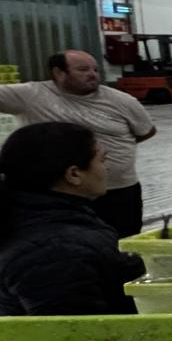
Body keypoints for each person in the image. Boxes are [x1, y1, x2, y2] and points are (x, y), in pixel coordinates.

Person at [0, 50, 156, 237]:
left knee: (124, 240)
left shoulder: (122, 101)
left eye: (95, 69)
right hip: (58, 197)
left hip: (118, 192)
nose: (92, 74)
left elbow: (146, 131)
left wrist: (109, 150)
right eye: (83, 70)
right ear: (59, 73)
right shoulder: (30, 95)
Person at [0, 122, 146, 315]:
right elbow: (72, 327)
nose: (107, 169)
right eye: (102, 160)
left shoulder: (44, 219)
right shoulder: (54, 250)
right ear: (74, 174)